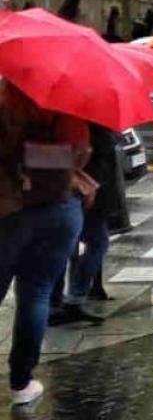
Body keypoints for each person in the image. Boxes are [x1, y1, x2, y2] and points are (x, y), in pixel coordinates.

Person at [0, 80, 91, 407]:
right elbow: (80, 153)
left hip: (8, 209)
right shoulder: (66, 104)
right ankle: (21, 382)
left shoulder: (6, 99)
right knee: (36, 294)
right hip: (58, 207)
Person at [50, 124, 124, 325]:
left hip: (85, 192)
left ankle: (66, 300)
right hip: (80, 192)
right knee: (84, 245)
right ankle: (61, 302)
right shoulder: (81, 124)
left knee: (86, 245)